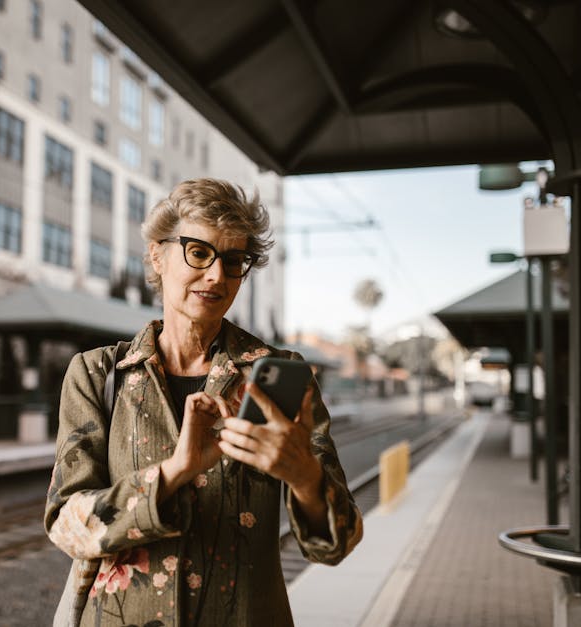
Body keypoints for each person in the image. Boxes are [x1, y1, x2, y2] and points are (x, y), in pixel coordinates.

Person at [46, 179, 363, 626]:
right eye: (199, 252)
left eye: (234, 261)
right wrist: (174, 473)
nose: (217, 275)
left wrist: (306, 478)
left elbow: (338, 543)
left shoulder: (280, 377)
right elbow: (65, 524)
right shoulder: (98, 374)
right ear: (158, 254)